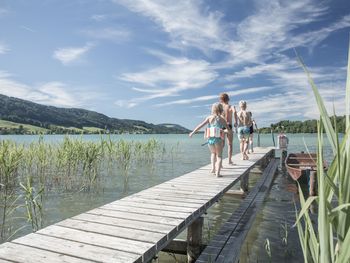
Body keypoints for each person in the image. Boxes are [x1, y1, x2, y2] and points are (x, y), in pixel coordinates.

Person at [189, 103, 228, 177]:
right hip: (218, 139)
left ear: (212, 109)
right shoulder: (222, 119)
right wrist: (224, 131)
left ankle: (213, 169)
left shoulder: (209, 118)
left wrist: (193, 132)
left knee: (213, 153)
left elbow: (200, 125)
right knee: (219, 156)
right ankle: (218, 173)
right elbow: (228, 130)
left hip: (210, 139)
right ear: (221, 109)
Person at [219, 93, 237, 165]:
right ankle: (229, 160)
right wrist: (236, 121)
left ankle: (220, 162)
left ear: (221, 99)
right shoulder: (230, 106)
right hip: (229, 125)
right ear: (228, 99)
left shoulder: (220, 107)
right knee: (230, 144)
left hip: (221, 126)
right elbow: (235, 111)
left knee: (221, 145)